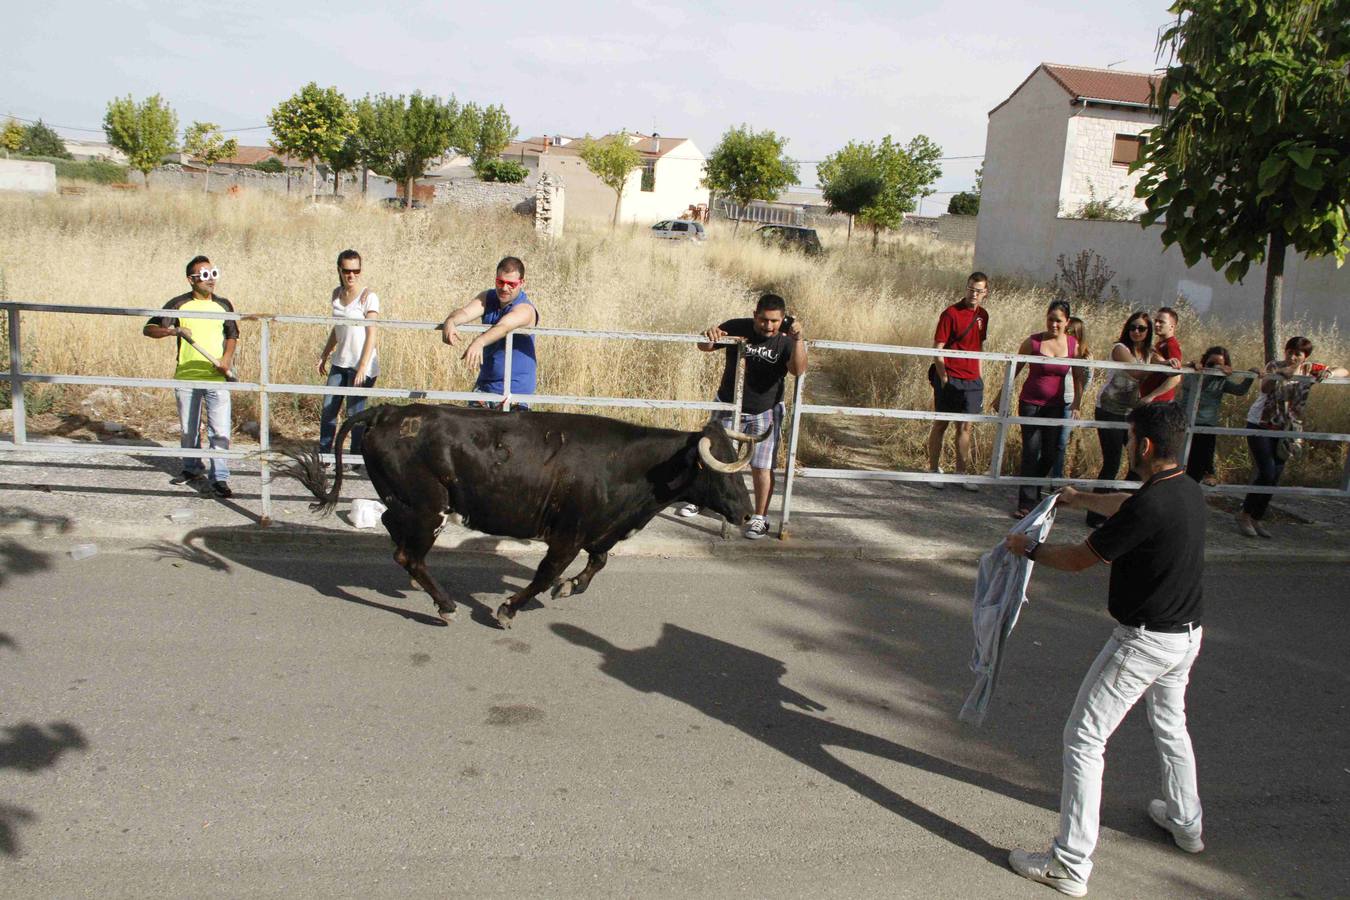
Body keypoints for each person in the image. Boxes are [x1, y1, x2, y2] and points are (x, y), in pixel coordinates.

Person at [1005, 402, 1207, 898]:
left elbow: (1078, 559)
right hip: (1184, 637)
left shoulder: (1153, 503)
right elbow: (1128, 505)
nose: (1126, 444)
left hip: (1143, 642)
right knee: (1170, 724)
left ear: (1143, 445)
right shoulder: (1184, 489)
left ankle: (1069, 864)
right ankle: (1186, 824)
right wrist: (1078, 499)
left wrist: (1026, 549)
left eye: (1130, 437)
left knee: (1084, 739)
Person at [677, 293, 808, 539]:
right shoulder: (738, 326)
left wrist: (799, 339)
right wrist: (710, 335)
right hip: (727, 405)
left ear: (783, 320)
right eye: (763, 320)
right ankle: (700, 499)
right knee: (711, 456)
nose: (768, 326)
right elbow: (704, 347)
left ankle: (759, 518)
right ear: (754, 315)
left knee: (762, 467)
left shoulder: (787, 339)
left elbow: (798, 370)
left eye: (774, 321)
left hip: (764, 411)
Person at [143, 255, 239, 499]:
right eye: (205, 275)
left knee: (220, 431)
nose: (211, 280)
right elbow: (149, 328)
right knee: (189, 430)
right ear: (191, 279)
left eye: (213, 274)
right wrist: (172, 330)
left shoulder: (224, 305)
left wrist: (226, 360)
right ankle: (192, 469)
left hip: (216, 378)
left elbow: (232, 335)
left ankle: (220, 478)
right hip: (186, 376)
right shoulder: (178, 305)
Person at [1235, 337, 1347, 538]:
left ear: (1305, 357)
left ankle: (1256, 518)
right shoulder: (1275, 365)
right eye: (1290, 352)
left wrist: (1328, 373)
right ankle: (1244, 514)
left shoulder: (1309, 369)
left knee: (1276, 474)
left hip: (1287, 428)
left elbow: (1344, 371)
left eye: (1298, 354)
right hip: (1261, 422)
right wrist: (1280, 374)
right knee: (1267, 471)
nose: (1293, 357)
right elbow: (1265, 387)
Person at [1010, 300, 1082, 518]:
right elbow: (1015, 367)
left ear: (1067, 322)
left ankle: (1034, 486)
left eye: (1058, 320)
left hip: (1057, 405)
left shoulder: (1073, 345)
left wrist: (1077, 402)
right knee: (1031, 451)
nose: (1053, 324)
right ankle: (1026, 502)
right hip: (1031, 403)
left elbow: (1079, 376)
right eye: (1050, 319)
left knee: (1050, 453)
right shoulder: (1033, 342)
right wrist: (1001, 396)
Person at [441, 256, 538, 408]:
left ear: (521, 283)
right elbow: (465, 313)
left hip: (516, 394)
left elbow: (504, 326)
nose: (505, 288)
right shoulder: (488, 297)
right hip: (484, 389)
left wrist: (479, 342)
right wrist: (451, 321)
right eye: (500, 282)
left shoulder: (526, 309)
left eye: (511, 284)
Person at [1086, 312, 1153, 527]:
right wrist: (1158, 368)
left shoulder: (1149, 352)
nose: (1136, 332)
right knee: (1112, 461)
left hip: (1131, 413)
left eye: (1141, 328)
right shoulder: (1119, 348)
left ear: (1148, 331)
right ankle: (1095, 513)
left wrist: (1176, 362)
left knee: (1138, 463)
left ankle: (1120, 507)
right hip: (1109, 409)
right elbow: (1137, 372)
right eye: (1133, 327)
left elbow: (1171, 368)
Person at [925, 272, 990, 491]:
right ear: (966, 288)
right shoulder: (950, 314)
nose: (974, 294)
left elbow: (979, 347)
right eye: (971, 289)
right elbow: (938, 349)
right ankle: (933, 470)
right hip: (950, 376)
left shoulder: (983, 316)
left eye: (979, 291)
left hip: (972, 380)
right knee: (941, 423)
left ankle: (961, 473)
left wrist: (980, 376)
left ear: (985, 293)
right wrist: (944, 378)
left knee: (965, 427)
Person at [317, 249, 379, 464]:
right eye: (347, 271)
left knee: (355, 414)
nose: (351, 275)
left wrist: (363, 366)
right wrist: (325, 354)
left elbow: (372, 332)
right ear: (339, 270)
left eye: (356, 270)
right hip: (339, 362)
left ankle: (355, 457)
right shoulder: (336, 294)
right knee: (329, 410)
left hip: (361, 364)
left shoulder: (368, 297)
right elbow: (338, 328)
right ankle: (325, 454)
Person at [1178, 346, 1254, 485]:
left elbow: (1240, 390)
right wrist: (1208, 371)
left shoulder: (1221, 381)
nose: (1215, 368)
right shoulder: (1193, 374)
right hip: (1187, 423)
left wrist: (1251, 375)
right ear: (1204, 361)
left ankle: (1203, 478)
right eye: (1211, 364)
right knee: (1184, 462)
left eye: (1219, 365)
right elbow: (1198, 386)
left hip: (1207, 425)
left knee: (1200, 462)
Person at [1050, 316, 1089, 480]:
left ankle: (1056, 479)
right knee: (1048, 440)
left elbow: (1085, 381)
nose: (1068, 334)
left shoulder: (1085, 356)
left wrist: (1077, 403)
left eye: (1072, 331)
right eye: (1067, 331)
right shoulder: (1059, 350)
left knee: (1061, 442)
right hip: (1054, 398)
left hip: (1070, 402)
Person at [1138, 307, 1183, 404]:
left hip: (1159, 403)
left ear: (1172, 326)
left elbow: (1176, 376)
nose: (1157, 324)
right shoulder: (1160, 344)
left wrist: (1151, 396)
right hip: (1151, 400)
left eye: (1161, 322)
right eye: (1156, 321)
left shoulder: (1171, 345)